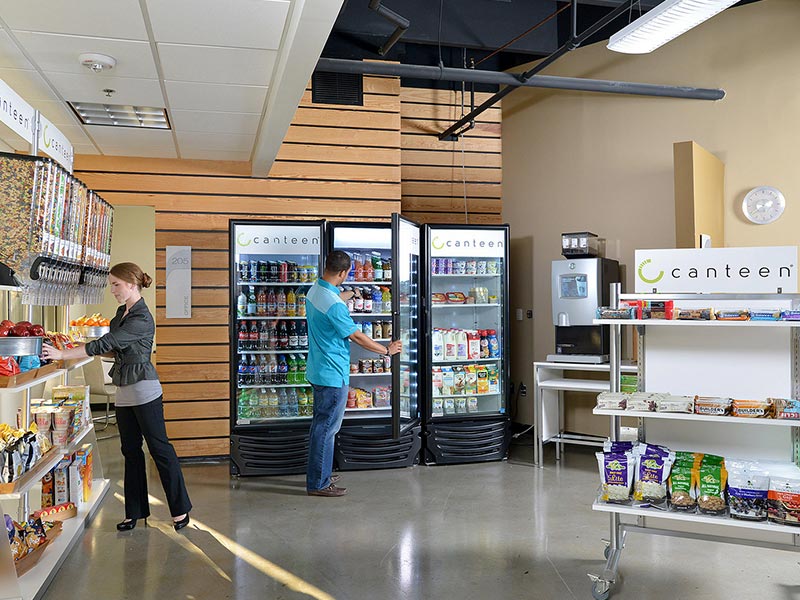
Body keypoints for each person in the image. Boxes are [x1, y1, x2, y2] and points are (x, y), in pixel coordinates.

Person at [42, 262, 192, 532]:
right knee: (130, 452)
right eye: (111, 284)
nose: (112, 290)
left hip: (145, 391)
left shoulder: (141, 318)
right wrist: (77, 347)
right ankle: (134, 512)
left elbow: (107, 343)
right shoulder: (121, 313)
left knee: (159, 450)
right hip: (124, 391)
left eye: (116, 284)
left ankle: (180, 510)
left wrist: (65, 354)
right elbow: (113, 349)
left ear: (132, 284)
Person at [305, 251, 401, 497]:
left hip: (317, 370)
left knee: (319, 426)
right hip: (333, 373)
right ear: (344, 273)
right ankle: (319, 483)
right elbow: (356, 336)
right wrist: (386, 351)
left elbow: (333, 295)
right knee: (327, 429)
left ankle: (320, 473)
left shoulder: (315, 290)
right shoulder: (335, 306)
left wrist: (353, 294)